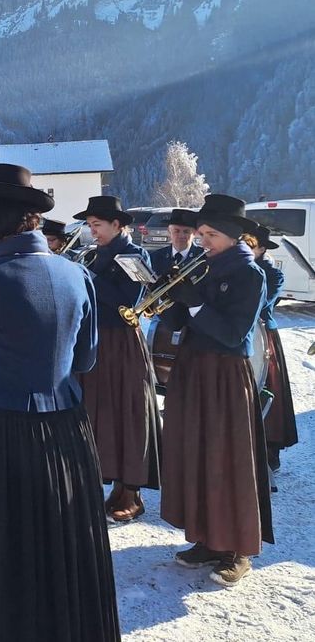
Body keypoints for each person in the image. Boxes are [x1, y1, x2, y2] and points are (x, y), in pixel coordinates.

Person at [0, 164, 119, 642]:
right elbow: (87, 357)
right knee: (61, 540)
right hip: (67, 431)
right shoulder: (77, 273)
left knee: (1, 543)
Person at [158, 195, 272, 586]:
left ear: (234, 235)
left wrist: (193, 306)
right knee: (198, 453)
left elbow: (232, 333)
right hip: (194, 369)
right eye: (200, 233)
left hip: (224, 375)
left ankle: (237, 548)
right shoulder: (202, 266)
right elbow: (177, 322)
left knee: (227, 457)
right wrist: (171, 298)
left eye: (209, 234)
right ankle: (207, 537)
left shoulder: (249, 274)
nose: (202, 240)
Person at [73, 195, 161, 522]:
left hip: (122, 344)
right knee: (99, 413)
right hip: (98, 340)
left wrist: (89, 279)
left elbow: (130, 302)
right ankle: (105, 482)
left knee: (127, 412)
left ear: (117, 225)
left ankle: (131, 492)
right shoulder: (95, 254)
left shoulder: (135, 256)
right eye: (90, 225)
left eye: (97, 225)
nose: (92, 231)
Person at [249, 224, 297, 475]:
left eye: (251, 245)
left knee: (268, 390)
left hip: (264, 336)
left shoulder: (273, 274)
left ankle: (269, 450)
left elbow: (262, 303)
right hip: (242, 335)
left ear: (262, 248)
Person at [148, 209, 201, 277]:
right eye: (176, 231)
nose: (181, 235)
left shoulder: (202, 257)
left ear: (194, 233)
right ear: (169, 232)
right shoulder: (155, 257)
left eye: (186, 231)